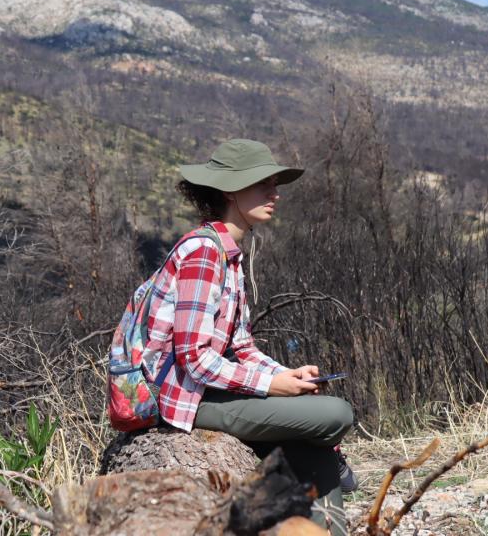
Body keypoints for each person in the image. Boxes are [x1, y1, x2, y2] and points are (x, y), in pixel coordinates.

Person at [144, 138, 355, 536]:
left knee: (312, 433)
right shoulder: (204, 253)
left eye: (274, 184)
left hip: (209, 392)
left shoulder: (228, 252)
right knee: (335, 415)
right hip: (186, 400)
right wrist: (270, 386)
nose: (274, 194)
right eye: (262, 184)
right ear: (229, 190)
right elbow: (194, 357)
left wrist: (286, 375)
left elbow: (239, 345)